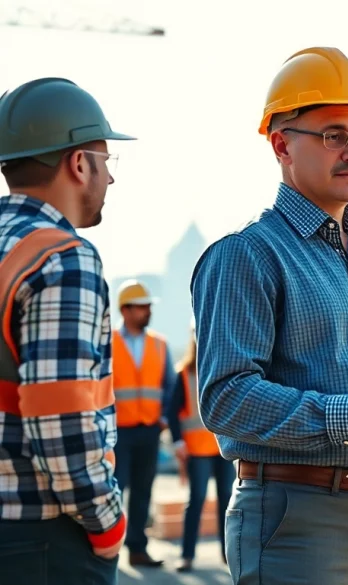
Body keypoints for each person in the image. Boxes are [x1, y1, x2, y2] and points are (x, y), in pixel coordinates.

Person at [191, 46, 348, 585]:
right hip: (296, 518)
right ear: (281, 144)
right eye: (334, 134)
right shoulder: (248, 255)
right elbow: (224, 397)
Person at [0, 77, 133, 583]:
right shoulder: (62, 259)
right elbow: (61, 426)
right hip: (40, 542)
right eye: (105, 162)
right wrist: (107, 525)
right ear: (79, 163)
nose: (110, 180)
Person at [111, 278, 177, 567]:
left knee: (142, 492)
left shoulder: (160, 345)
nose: (147, 311)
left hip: (149, 431)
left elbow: (170, 388)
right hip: (117, 433)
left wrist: (163, 419)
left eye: (148, 307)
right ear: (125, 310)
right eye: (141, 307)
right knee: (115, 489)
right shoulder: (106, 342)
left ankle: (137, 549)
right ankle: (108, 551)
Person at [165, 320, 235, 572]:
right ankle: (187, 555)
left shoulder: (223, 369)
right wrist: (178, 442)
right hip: (197, 451)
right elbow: (172, 413)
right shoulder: (184, 373)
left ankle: (229, 557)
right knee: (196, 500)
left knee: (227, 501)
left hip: (222, 449)